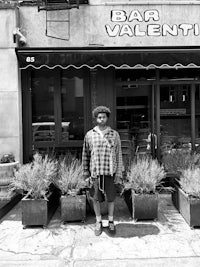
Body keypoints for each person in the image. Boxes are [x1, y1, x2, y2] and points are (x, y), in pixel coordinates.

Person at [82, 106, 123, 236]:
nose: (102, 119)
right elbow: (85, 155)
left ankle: (111, 221)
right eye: (99, 117)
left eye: (104, 117)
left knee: (111, 198)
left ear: (107, 118)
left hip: (110, 173)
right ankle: (98, 221)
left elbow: (118, 154)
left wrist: (119, 173)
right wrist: (86, 173)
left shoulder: (114, 135)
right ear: (96, 119)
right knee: (95, 199)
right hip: (95, 173)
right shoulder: (89, 135)